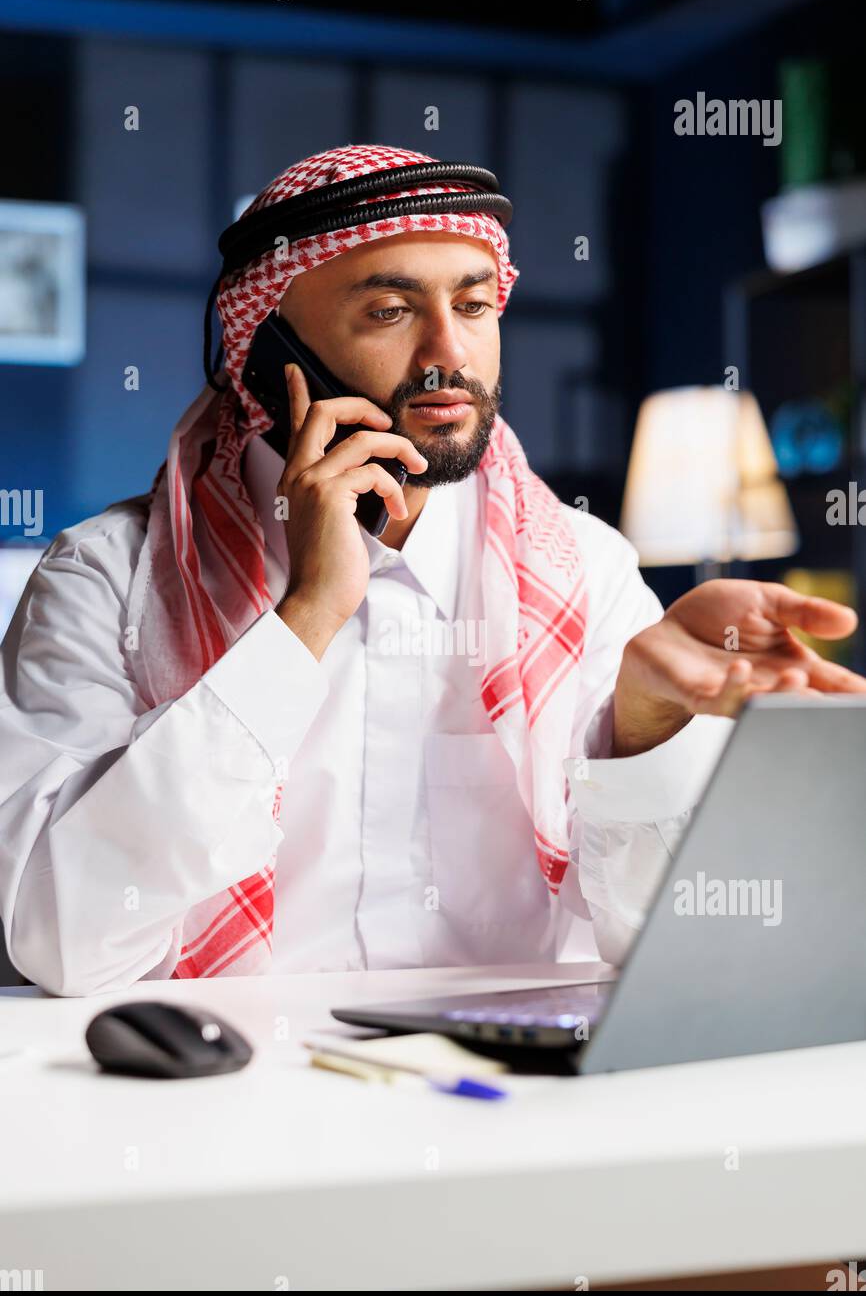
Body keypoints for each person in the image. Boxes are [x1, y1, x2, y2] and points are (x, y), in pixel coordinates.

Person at [1, 144, 862, 997]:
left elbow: (665, 947)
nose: (448, 353)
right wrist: (304, 621)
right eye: (389, 311)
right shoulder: (105, 579)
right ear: (266, 357)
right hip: (217, 1098)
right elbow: (66, 941)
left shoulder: (588, 571)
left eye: (475, 305)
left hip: (513, 1105)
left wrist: (639, 730)